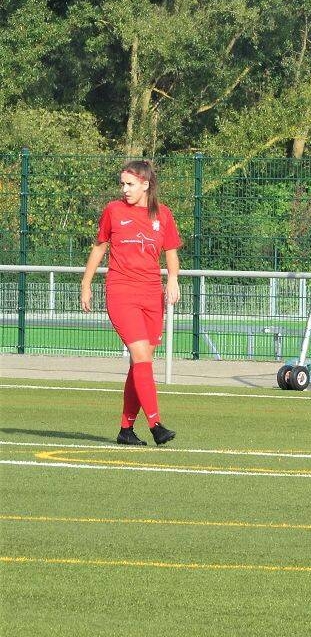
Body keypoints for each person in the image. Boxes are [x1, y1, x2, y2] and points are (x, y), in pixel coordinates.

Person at [81, 160, 181, 446]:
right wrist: (86, 284)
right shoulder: (113, 210)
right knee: (141, 356)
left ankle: (126, 429)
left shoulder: (163, 214)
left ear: (145, 184)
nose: (124, 189)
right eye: (122, 184)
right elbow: (99, 247)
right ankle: (156, 424)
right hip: (121, 292)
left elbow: (171, 252)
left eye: (130, 184)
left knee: (141, 362)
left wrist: (173, 279)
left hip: (152, 295)